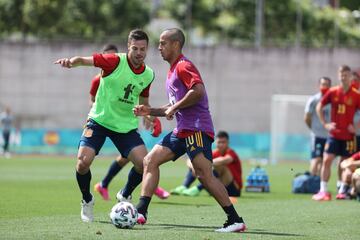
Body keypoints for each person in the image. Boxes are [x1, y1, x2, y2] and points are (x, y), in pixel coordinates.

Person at [133, 28, 246, 233]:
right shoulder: (172, 71)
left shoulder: (184, 66)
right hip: (182, 130)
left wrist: (175, 107)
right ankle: (141, 212)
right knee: (150, 161)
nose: (159, 47)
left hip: (196, 128)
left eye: (163, 43)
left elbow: (198, 90)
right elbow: (172, 106)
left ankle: (235, 220)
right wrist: (149, 110)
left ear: (176, 44)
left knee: (204, 175)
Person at [55, 29, 155, 222]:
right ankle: (87, 200)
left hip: (125, 126)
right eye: (135, 48)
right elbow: (84, 60)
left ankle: (124, 194)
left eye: (143, 49)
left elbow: (144, 100)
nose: (139, 53)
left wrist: (149, 116)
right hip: (99, 121)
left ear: (147, 49)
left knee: (144, 164)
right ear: (128, 47)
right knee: (83, 163)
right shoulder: (114, 61)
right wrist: (70, 62)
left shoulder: (149, 74)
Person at [90, 44, 169, 201]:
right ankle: (147, 187)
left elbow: (136, 102)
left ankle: (107, 185)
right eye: (108, 58)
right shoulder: (98, 80)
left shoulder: (137, 74)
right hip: (104, 122)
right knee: (133, 160)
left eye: (114, 56)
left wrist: (150, 117)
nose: (112, 61)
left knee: (134, 159)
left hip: (125, 125)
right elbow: (93, 101)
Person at [312, 65, 360, 201]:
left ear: (350, 77)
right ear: (338, 76)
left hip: (349, 137)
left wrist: (356, 126)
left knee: (344, 163)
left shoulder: (356, 95)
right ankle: (323, 190)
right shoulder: (333, 92)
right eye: (341, 75)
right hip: (334, 135)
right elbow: (319, 106)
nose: (343, 77)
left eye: (346, 75)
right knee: (326, 160)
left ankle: (342, 189)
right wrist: (325, 124)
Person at [172, 131, 243, 204]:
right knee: (196, 163)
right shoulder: (214, 152)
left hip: (233, 190)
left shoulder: (231, 152)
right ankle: (184, 186)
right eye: (219, 142)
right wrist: (194, 165)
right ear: (215, 142)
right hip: (217, 188)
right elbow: (189, 160)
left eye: (223, 142)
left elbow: (225, 160)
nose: (221, 145)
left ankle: (197, 189)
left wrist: (204, 164)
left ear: (228, 142)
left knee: (220, 166)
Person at [304, 77, 331, 176]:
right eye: (323, 84)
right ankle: (312, 181)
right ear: (319, 85)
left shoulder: (333, 100)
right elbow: (307, 117)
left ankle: (319, 185)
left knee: (325, 160)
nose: (325, 87)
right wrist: (314, 129)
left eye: (327, 85)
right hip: (317, 136)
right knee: (316, 159)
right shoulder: (314, 100)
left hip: (329, 137)